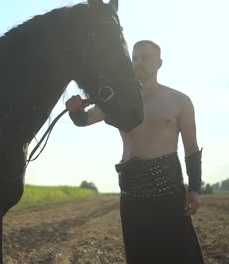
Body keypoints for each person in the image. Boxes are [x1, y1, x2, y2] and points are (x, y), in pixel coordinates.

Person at [65, 40, 204, 263]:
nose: (139, 63)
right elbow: (86, 119)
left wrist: (195, 188)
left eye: (145, 58)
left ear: (159, 63)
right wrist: (75, 110)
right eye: (135, 58)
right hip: (131, 196)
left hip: (169, 194)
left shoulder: (179, 101)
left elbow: (191, 148)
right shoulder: (117, 101)